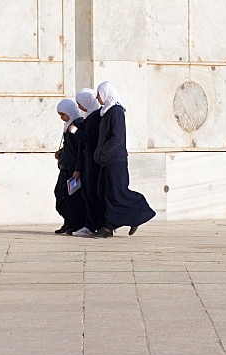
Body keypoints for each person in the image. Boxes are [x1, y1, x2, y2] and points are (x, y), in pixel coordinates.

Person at [92, 80, 155, 238]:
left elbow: (117, 138)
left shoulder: (116, 111)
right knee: (104, 192)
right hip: (107, 161)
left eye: (99, 94)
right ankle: (118, 221)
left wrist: (103, 151)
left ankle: (136, 211)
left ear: (106, 94)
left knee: (117, 193)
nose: (97, 97)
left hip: (115, 160)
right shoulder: (105, 112)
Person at [69, 88, 104, 238]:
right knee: (88, 194)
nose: (79, 107)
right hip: (88, 161)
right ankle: (91, 224)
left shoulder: (96, 117)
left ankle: (92, 225)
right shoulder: (90, 116)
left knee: (91, 194)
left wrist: (76, 132)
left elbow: (91, 140)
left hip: (93, 162)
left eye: (80, 104)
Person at [54, 98, 88, 235]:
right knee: (60, 195)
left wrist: (77, 169)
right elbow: (71, 147)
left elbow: (80, 149)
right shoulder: (69, 126)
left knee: (72, 198)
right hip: (66, 166)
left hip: (73, 168)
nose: (62, 118)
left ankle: (75, 224)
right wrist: (61, 153)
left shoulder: (77, 125)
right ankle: (68, 222)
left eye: (63, 114)